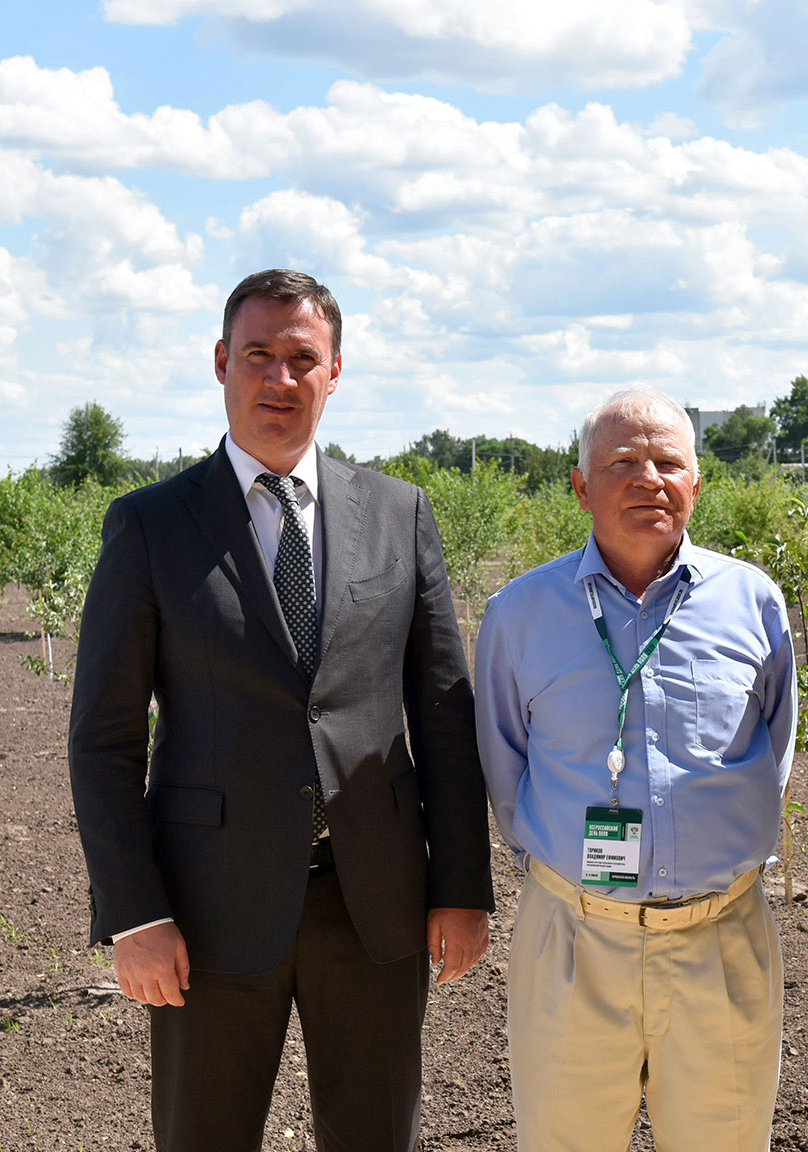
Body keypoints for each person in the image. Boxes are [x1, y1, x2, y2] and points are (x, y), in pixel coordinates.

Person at [67, 269, 494, 1152]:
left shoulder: (401, 513)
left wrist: (460, 888)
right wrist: (135, 913)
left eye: (303, 358)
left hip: (373, 903)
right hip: (208, 909)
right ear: (222, 363)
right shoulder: (150, 526)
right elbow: (104, 739)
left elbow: (444, 718)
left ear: (335, 372)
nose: (280, 377)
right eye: (258, 354)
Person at [473, 386, 797, 1152]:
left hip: (722, 938)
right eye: (622, 461)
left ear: (696, 482)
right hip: (574, 940)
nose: (648, 479)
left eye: (667, 462)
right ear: (581, 486)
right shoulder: (520, 614)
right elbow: (503, 764)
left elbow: (775, 753)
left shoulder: (753, 602)